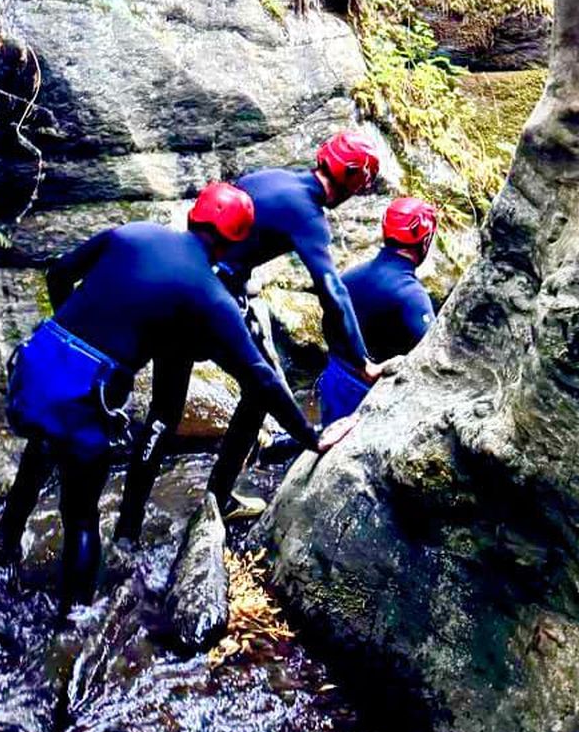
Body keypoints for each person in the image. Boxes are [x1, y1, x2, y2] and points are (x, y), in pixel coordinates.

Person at [0, 183, 341, 613]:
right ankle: (75, 624)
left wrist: (72, 334)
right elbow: (261, 378)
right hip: (85, 396)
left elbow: (59, 273)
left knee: (38, 455)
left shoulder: (131, 233)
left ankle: (3, 552)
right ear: (236, 241)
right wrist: (311, 437)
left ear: (194, 217)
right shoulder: (209, 294)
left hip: (36, 368)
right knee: (81, 515)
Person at [115, 131, 384, 542]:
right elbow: (333, 290)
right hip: (215, 304)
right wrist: (362, 362)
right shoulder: (309, 215)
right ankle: (220, 498)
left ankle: (127, 528)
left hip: (185, 288)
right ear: (351, 180)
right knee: (260, 391)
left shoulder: (274, 178)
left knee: (163, 413)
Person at [317, 195, 438, 422]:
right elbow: (433, 352)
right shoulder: (411, 295)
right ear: (425, 241)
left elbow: (328, 322)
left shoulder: (350, 276)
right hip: (369, 395)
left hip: (334, 378)